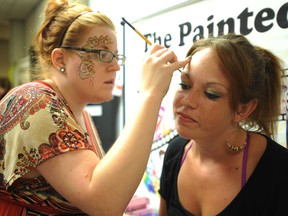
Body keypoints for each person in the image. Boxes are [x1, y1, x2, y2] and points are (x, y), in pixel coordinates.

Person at [0, 0, 191, 215]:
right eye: (102, 54)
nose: (116, 66)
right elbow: (104, 203)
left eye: (116, 56)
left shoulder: (81, 115)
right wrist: (150, 94)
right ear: (60, 58)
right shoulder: (34, 102)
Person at [158, 33, 288, 216]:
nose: (187, 101)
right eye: (185, 85)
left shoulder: (279, 170)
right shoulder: (175, 151)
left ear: (243, 109)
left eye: (211, 94)